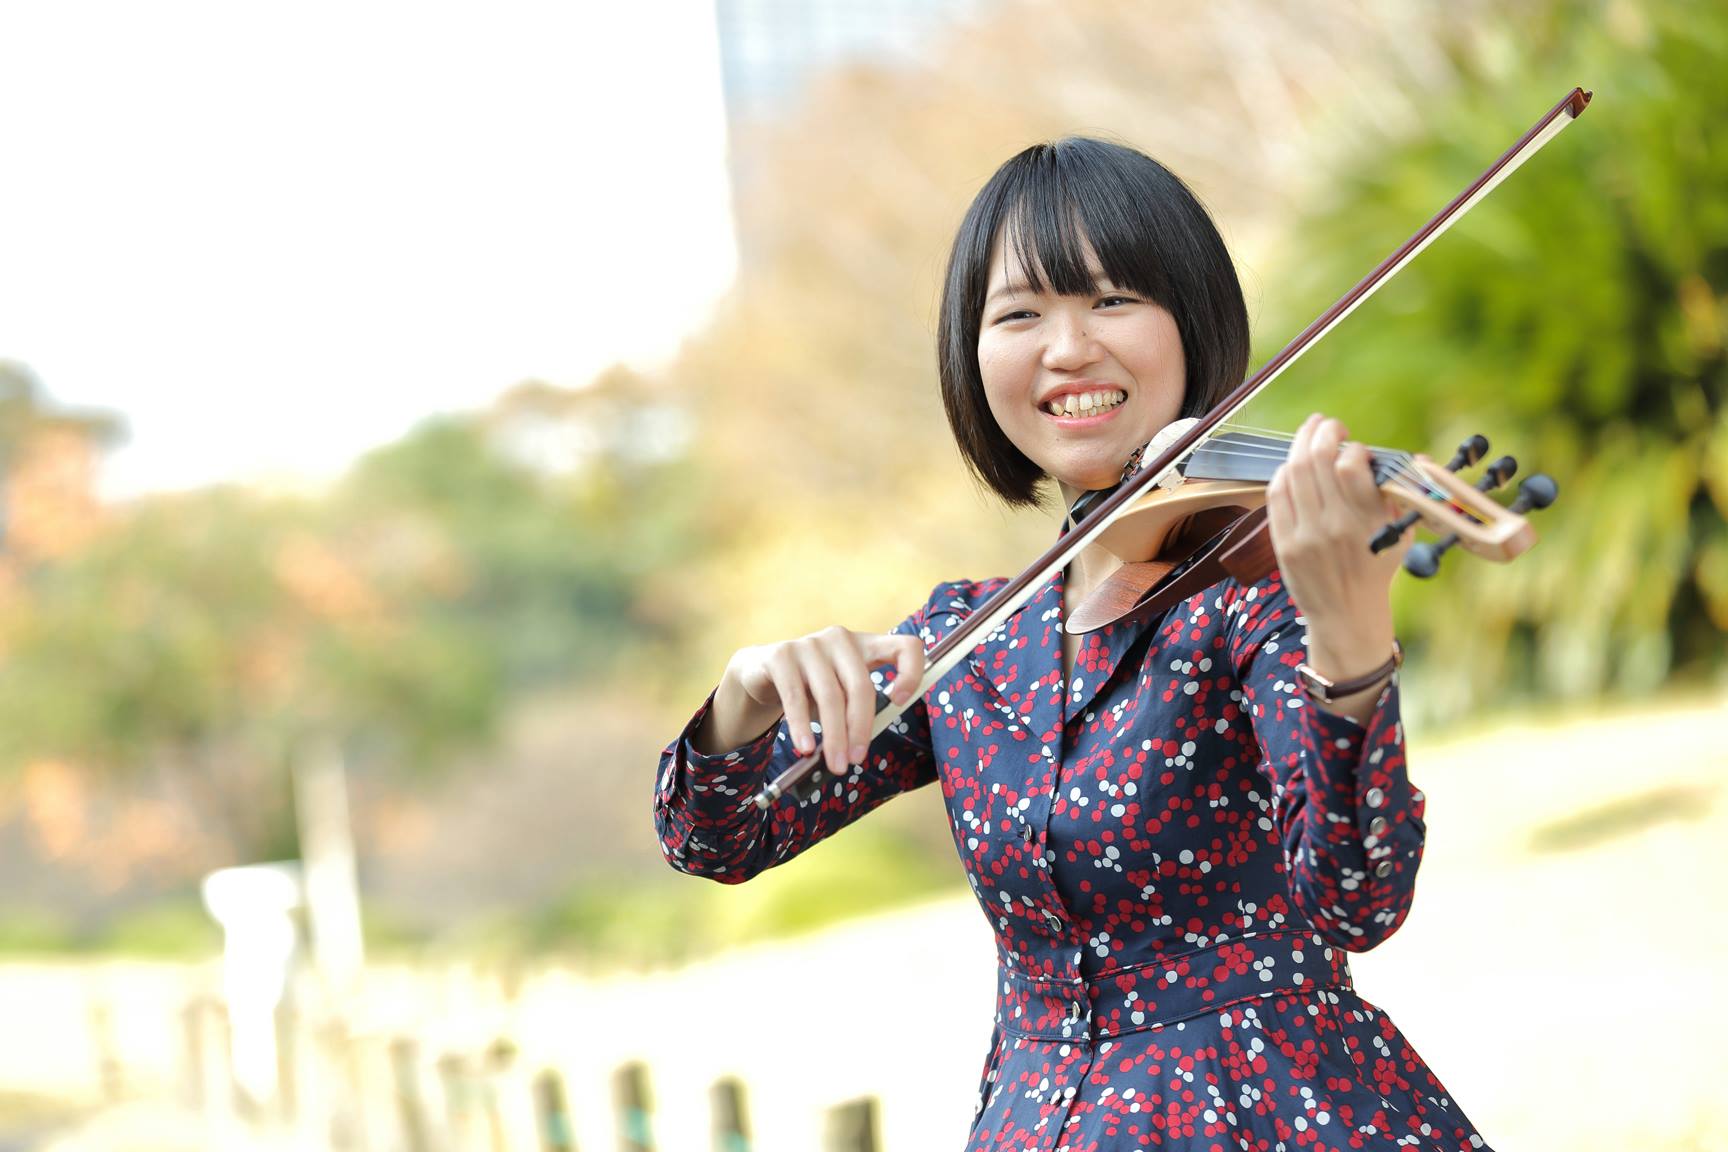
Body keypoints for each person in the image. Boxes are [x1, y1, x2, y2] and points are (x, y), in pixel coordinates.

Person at [654, 137, 1489, 1151]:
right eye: (1019, 314)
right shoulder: (969, 639)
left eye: (1112, 301)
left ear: (1193, 323)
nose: (1066, 349)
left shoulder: (1250, 605)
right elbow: (718, 838)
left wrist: (1351, 645)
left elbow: (1361, 898)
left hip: (1270, 1116)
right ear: (975, 357)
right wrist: (744, 696)